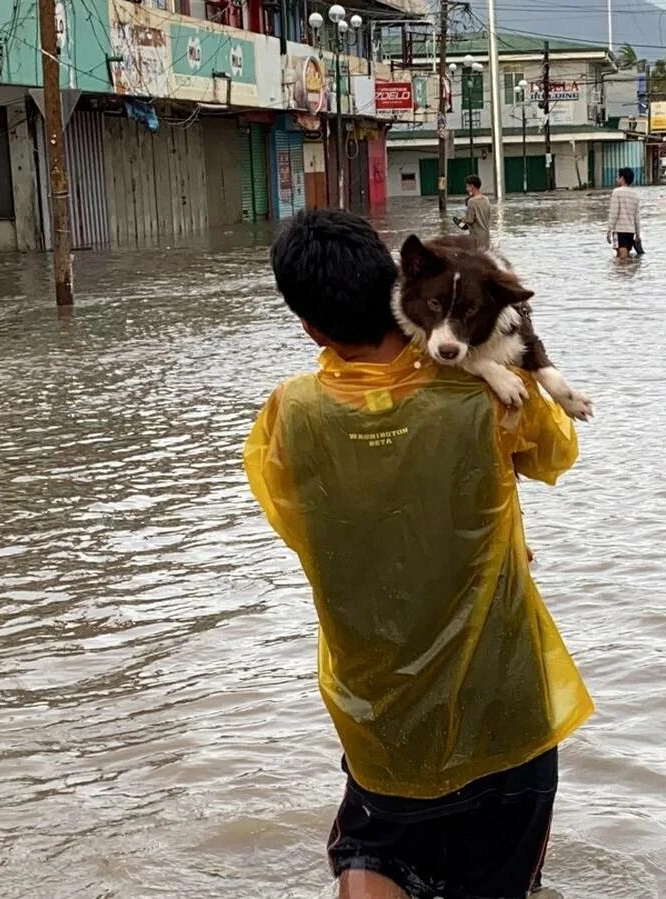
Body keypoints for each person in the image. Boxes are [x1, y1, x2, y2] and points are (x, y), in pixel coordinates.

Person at [248, 208, 593, 899]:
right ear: (394, 287)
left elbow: (306, 529)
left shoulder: (290, 414)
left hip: (384, 725)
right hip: (509, 713)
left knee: (372, 860)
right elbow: (559, 454)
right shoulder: (487, 392)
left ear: (309, 326)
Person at [607, 167, 641, 260]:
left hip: (619, 231)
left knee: (622, 258)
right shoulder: (635, 194)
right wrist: (638, 235)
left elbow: (614, 213)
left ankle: (622, 274)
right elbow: (636, 217)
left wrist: (609, 230)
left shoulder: (616, 192)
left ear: (622, 178)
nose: (616, 178)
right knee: (623, 257)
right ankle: (627, 274)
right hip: (631, 232)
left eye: (617, 176)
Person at [456, 173, 493, 249]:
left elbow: (470, 220)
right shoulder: (486, 199)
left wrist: (461, 219)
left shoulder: (471, 201)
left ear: (472, 186)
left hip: (476, 237)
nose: (466, 189)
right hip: (486, 236)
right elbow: (488, 216)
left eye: (467, 186)